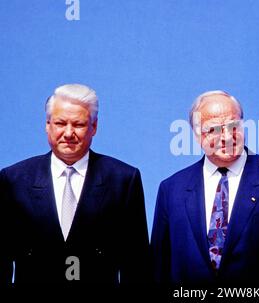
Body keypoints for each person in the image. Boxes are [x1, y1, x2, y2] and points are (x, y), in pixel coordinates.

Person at [150, 90, 259, 284]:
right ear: (197, 135)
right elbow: (159, 270)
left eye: (233, 126)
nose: (226, 137)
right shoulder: (171, 190)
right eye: (213, 130)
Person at [0, 84, 150, 284]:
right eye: (60, 123)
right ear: (47, 125)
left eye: (78, 124)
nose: (68, 133)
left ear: (94, 127)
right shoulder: (14, 179)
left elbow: (136, 264)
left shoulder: (123, 179)